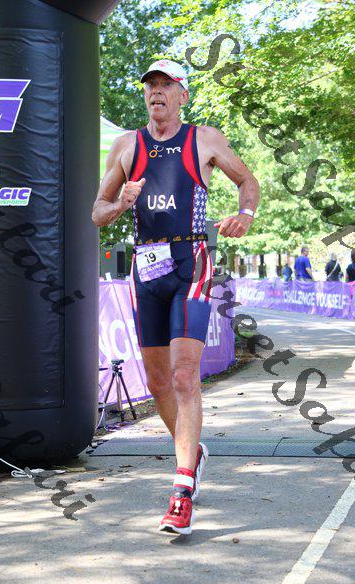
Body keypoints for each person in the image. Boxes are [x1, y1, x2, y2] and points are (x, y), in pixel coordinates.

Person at [91, 59, 259, 535]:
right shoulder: (127, 146)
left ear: (183, 95)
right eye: (151, 85)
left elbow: (247, 181)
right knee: (158, 381)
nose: (157, 92)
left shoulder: (204, 139)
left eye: (167, 85)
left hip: (192, 263)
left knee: (185, 377)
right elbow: (97, 212)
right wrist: (121, 203)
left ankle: (181, 491)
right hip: (146, 268)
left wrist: (245, 214)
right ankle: (193, 452)